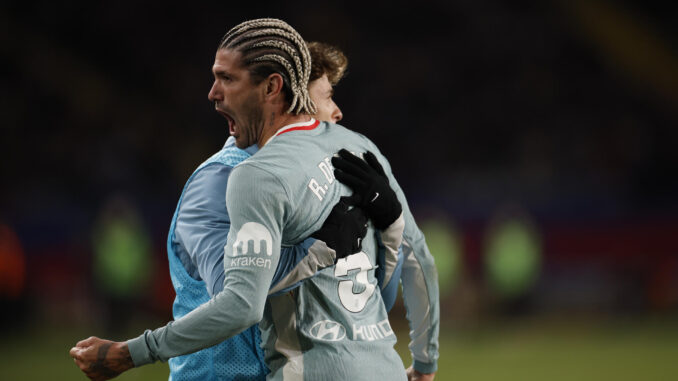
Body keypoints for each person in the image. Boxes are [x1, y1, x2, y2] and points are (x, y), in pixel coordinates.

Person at [71, 18, 439, 381]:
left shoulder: (292, 168)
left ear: (273, 87)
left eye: (226, 79)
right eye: (328, 96)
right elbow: (236, 295)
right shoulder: (223, 179)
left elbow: (245, 303)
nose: (336, 112)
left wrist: (131, 353)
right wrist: (342, 243)